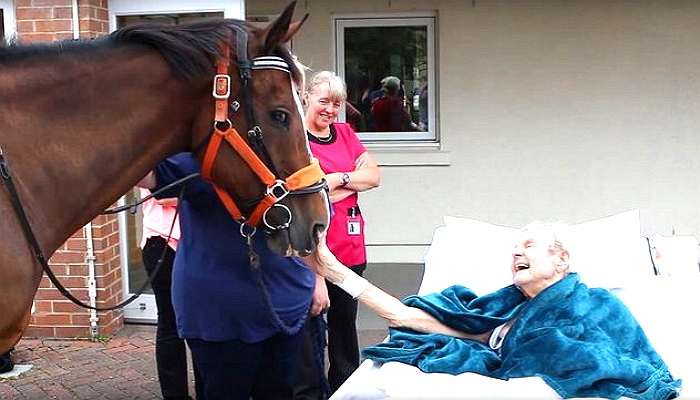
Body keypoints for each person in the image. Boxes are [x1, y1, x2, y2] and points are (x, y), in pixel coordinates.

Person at [305, 223, 681, 400]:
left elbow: (619, 353)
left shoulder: (597, 303)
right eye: (514, 248)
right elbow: (403, 317)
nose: (517, 253)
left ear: (562, 259)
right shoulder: (494, 314)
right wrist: (336, 271)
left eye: (529, 246)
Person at [138, 153, 327, 400]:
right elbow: (146, 175)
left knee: (280, 392)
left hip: (285, 306)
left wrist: (318, 277)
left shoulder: (287, 149)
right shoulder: (201, 158)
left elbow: (312, 224)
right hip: (221, 318)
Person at [294, 70, 381, 399]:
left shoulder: (345, 133)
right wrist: (349, 180)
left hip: (349, 247)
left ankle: (345, 391)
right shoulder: (296, 139)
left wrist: (334, 180)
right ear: (307, 99)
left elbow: (373, 177)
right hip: (311, 252)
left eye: (337, 103)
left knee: (345, 329)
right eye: (324, 101)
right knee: (310, 329)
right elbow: (303, 197)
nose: (330, 109)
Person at [139, 188, 202, 400]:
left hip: (199, 242)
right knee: (169, 320)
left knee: (203, 322)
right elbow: (162, 196)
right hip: (162, 241)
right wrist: (208, 194)